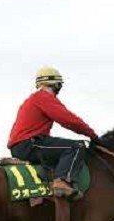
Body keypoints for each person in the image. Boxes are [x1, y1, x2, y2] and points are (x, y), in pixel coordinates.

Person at [8, 66, 99, 200]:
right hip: (29, 144)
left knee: (60, 148)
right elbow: (68, 119)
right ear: (56, 84)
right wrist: (92, 135)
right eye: (60, 84)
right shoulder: (44, 97)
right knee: (77, 146)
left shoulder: (34, 99)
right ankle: (62, 182)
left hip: (24, 144)